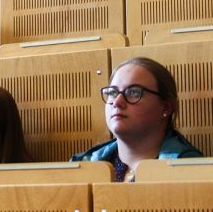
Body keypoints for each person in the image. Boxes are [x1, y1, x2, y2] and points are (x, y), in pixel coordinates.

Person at [72, 57, 203, 182]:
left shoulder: (190, 170)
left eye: (134, 92)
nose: (117, 102)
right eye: (112, 93)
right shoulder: (83, 166)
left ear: (166, 108)